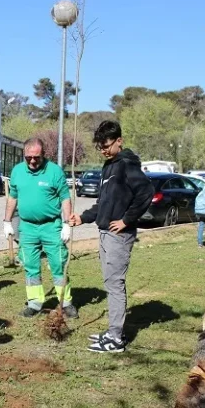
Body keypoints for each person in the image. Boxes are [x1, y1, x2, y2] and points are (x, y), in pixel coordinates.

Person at [69, 120, 154, 353]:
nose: (103, 150)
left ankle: (116, 338)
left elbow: (146, 192)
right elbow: (103, 204)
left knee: (115, 284)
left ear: (119, 141)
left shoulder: (126, 165)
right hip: (105, 233)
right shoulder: (109, 167)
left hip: (120, 236)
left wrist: (127, 220)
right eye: (100, 147)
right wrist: (83, 218)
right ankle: (112, 330)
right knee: (109, 282)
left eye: (106, 145)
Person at [2, 137, 78, 319]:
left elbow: (65, 198)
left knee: (59, 264)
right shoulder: (18, 171)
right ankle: (35, 303)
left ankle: (65, 303)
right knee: (30, 265)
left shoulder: (54, 172)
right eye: (28, 157)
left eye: (37, 157)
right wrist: (6, 221)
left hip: (51, 226)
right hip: (27, 228)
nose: (33, 161)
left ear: (44, 154)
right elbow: (13, 198)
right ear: (24, 155)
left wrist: (67, 223)